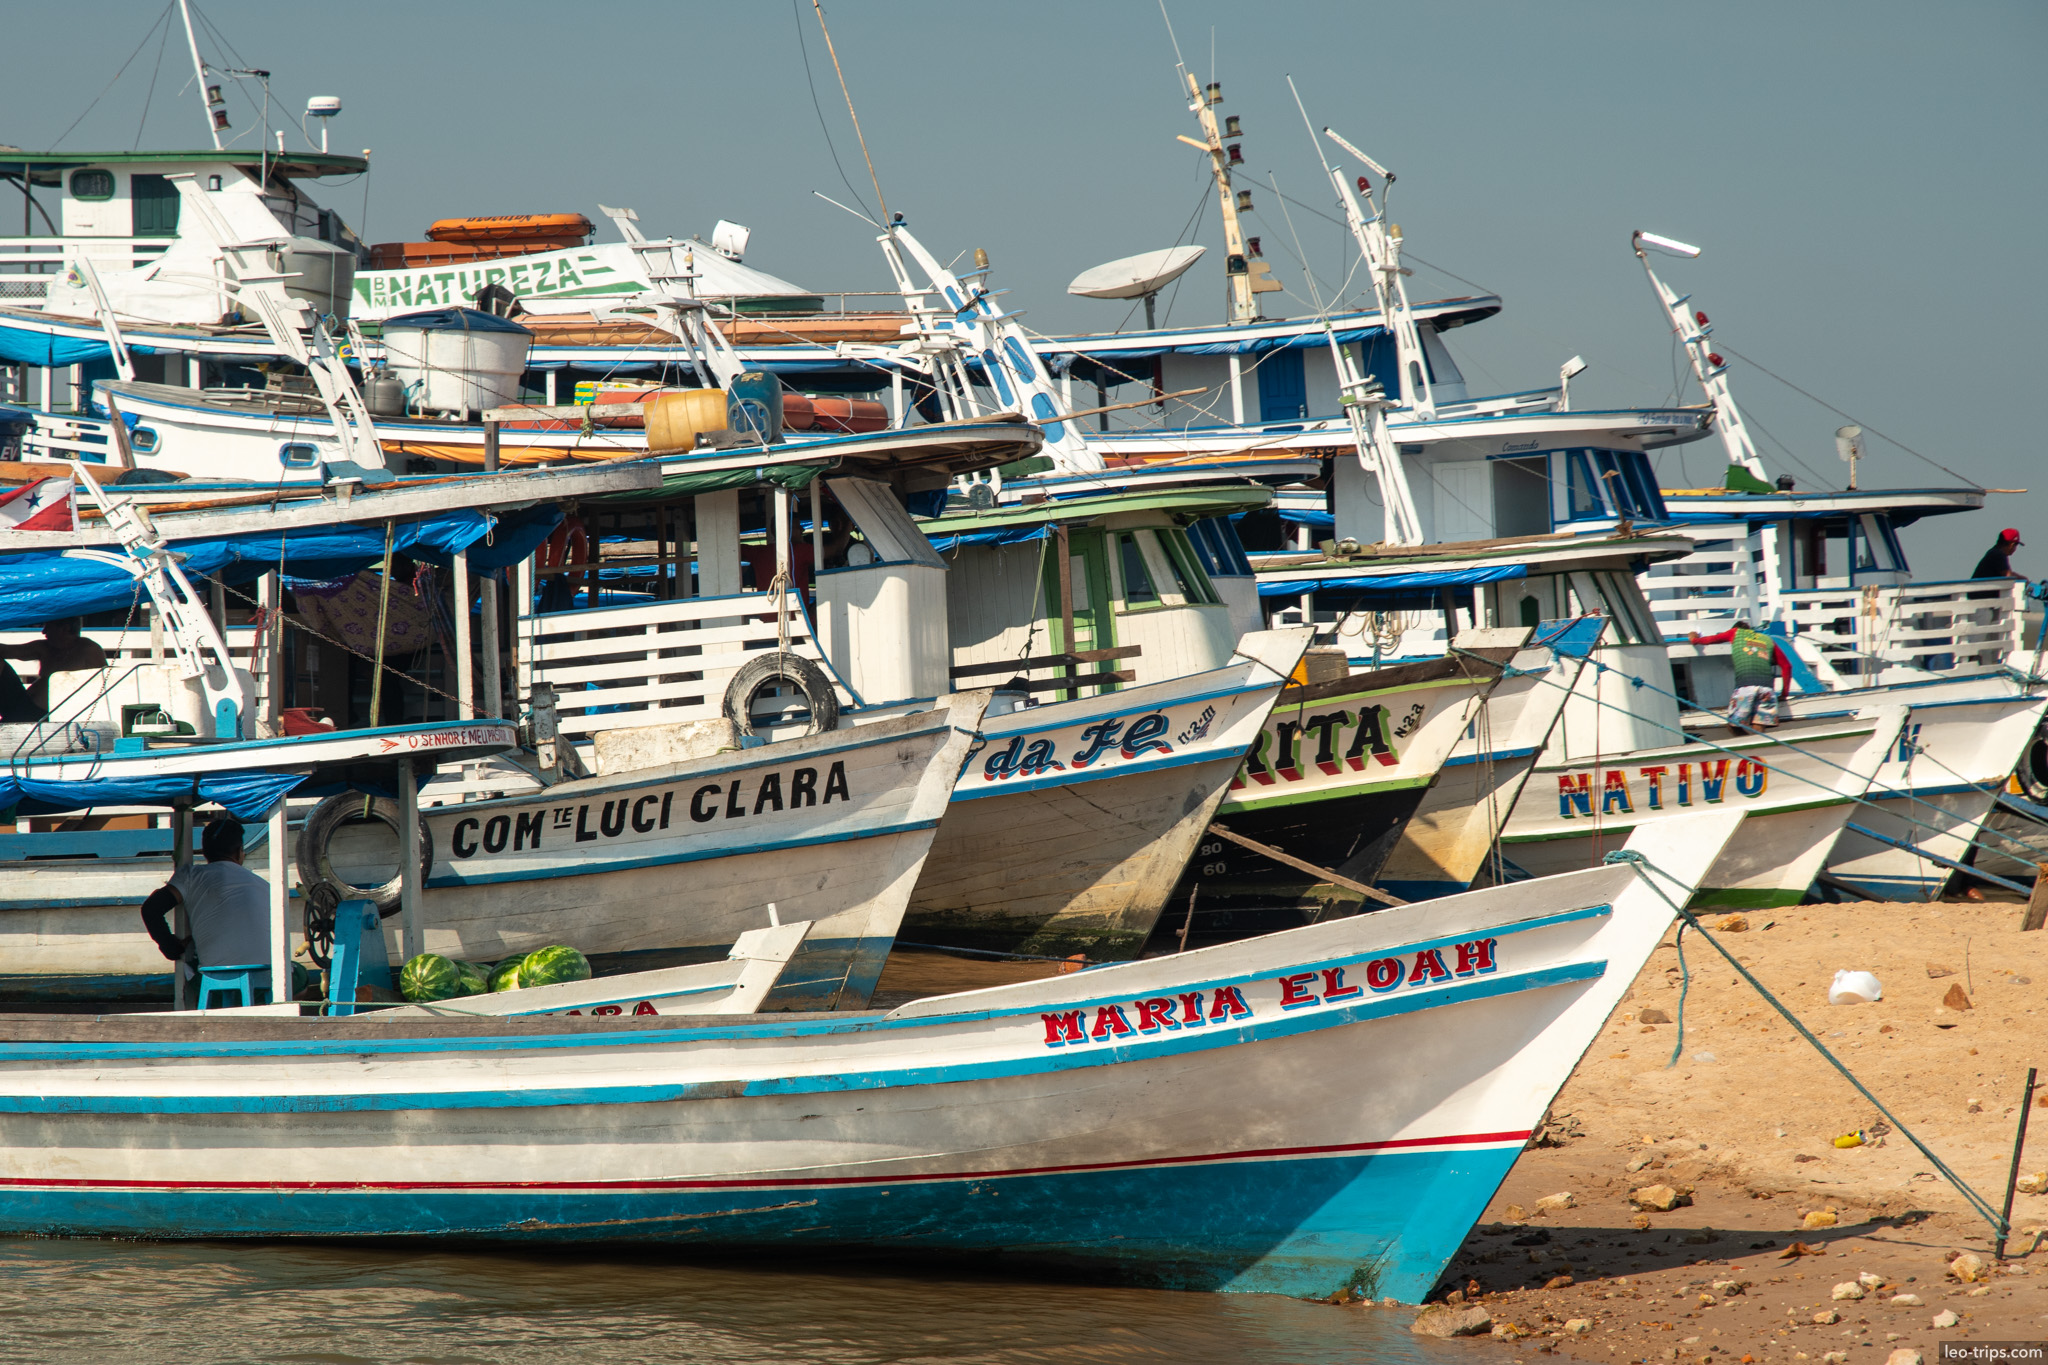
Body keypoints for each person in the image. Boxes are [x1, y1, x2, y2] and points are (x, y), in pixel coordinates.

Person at [139, 817, 274, 1003]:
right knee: (300, 977)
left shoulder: (190, 876)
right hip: (266, 979)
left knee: (191, 968)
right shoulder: (264, 885)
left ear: (204, 852)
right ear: (239, 852)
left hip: (215, 981)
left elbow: (151, 908)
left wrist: (171, 947)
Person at [1687, 617, 1793, 730]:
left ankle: (1743, 744)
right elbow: (1787, 666)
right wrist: (1784, 694)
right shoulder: (1767, 640)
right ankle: (1755, 743)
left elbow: (1712, 639)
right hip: (1766, 690)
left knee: (1734, 726)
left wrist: (1695, 640)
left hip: (1745, 687)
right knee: (1759, 726)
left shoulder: (1735, 632)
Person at [0, 617, 107, 723]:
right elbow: (7, 650)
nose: (44, 631)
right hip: (19, 704)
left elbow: (105, 681)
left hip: (46, 714)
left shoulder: (89, 650)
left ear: (65, 628)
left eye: (48, 626)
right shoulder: (44, 647)